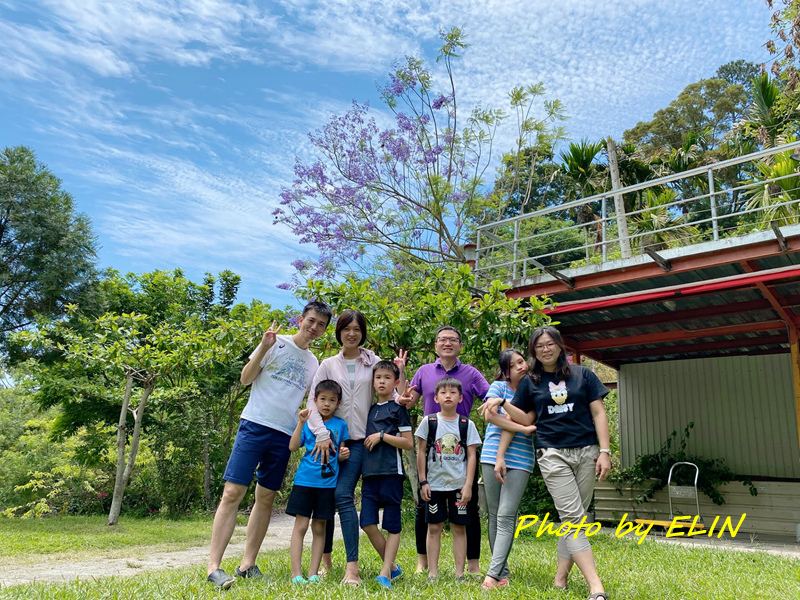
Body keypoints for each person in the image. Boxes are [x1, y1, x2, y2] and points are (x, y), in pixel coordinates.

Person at [206, 301, 332, 589]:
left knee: (265, 498)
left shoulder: (314, 363)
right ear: (301, 319)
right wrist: (263, 346)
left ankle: (248, 563)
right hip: (254, 424)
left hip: (283, 434)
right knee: (232, 492)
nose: (314, 328)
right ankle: (214, 567)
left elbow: (314, 400)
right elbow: (246, 378)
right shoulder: (276, 342)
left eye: (321, 325)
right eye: (311, 321)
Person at [481, 326, 611, 600]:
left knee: (575, 515)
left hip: (586, 451)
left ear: (559, 346)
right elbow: (526, 420)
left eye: (550, 344)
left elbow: (598, 412)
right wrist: (502, 401)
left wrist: (605, 451)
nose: (545, 349)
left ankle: (561, 578)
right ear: (534, 351)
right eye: (539, 346)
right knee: (574, 518)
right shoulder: (531, 381)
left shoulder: (583, 374)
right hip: (552, 454)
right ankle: (595, 587)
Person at [305, 309, 406, 587]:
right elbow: (313, 403)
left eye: (357, 329)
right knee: (327, 499)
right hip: (332, 442)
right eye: (346, 328)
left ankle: (352, 568)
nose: (352, 334)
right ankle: (380, 566)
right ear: (338, 332)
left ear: (363, 333)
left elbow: (391, 392)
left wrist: (402, 391)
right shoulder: (327, 364)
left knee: (342, 495)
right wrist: (322, 435)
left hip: (363, 441)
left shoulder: (371, 360)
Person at [400, 325, 489, 574]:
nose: (447, 343)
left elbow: (489, 396)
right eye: (442, 339)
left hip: (462, 447)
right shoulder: (424, 371)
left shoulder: (471, 373)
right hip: (430, 450)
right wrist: (400, 378)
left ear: (460, 345)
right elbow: (406, 403)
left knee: (468, 511)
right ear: (436, 345)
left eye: (453, 339)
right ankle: (424, 563)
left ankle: (472, 566)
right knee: (425, 511)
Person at [477, 349, 537, 590]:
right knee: (494, 515)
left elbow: (529, 418)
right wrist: (521, 428)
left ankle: (491, 574)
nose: (521, 366)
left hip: (521, 459)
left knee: (506, 514)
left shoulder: (533, 389)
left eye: (522, 361)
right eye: (514, 365)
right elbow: (489, 418)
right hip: (492, 454)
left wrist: (506, 408)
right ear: (506, 371)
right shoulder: (498, 386)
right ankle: (503, 572)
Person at [414, 377, 481, 580]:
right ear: (436, 397)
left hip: (459, 485)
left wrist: (468, 485)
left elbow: (471, 456)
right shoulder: (429, 421)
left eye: (453, 392)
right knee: (434, 527)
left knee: (459, 528)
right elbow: (421, 451)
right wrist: (423, 481)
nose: (448, 396)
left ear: (461, 398)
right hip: (434, 484)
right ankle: (432, 573)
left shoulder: (466, 424)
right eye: (443, 392)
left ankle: (459, 573)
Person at [287, 380, 350, 584]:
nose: (326, 404)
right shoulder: (309, 422)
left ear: (338, 403)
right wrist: (300, 422)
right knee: (301, 526)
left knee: (319, 527)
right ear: (315, 400)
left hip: (328, 484)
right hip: (305, 481)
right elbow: (293, 446)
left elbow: (339, 454)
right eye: (322, 399)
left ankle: (313, 573)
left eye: (332, 400)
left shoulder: (341, 425)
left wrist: (343, 455)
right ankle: (296, 573)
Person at [359, 361, 413, 589]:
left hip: (392, 471)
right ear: (373, 382)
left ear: (396, 382)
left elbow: (408, 443)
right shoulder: (369, 409)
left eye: (387, 377)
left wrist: (382, 435)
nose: (382, 381)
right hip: (370, 473)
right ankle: (392, 567)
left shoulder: (398, 408)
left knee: (391, 524)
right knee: (367, 523)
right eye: (378, 377)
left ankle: (385, 573)